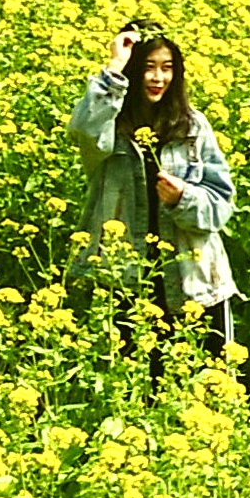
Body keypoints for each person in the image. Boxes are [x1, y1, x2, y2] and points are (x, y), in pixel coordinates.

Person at [70, 21, 239, 370]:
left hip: (194, 282)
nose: (157, 78)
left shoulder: (193, 126)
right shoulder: (109, 128)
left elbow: (221, 204)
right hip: (125, 277)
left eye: (166, 69)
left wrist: (185, 198)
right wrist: (115, 68)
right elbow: (83, 131)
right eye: (147, 68)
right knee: (131, 387)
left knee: (208, 385)